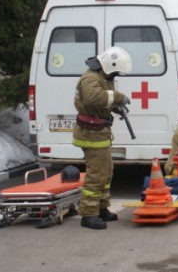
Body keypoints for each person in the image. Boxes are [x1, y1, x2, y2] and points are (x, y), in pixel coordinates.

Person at [73, 46, 132, 230]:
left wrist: (116, 107)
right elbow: (93, 98)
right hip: (91, 134)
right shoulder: (90, 78)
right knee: (97, 174)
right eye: (115, 71)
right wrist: (118, 97)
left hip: (100, 131)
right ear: (108, 64)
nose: (115, 75)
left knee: (106, 172)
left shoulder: (101, 77)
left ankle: (101, 208)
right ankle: (89, 215)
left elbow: (102, 102)